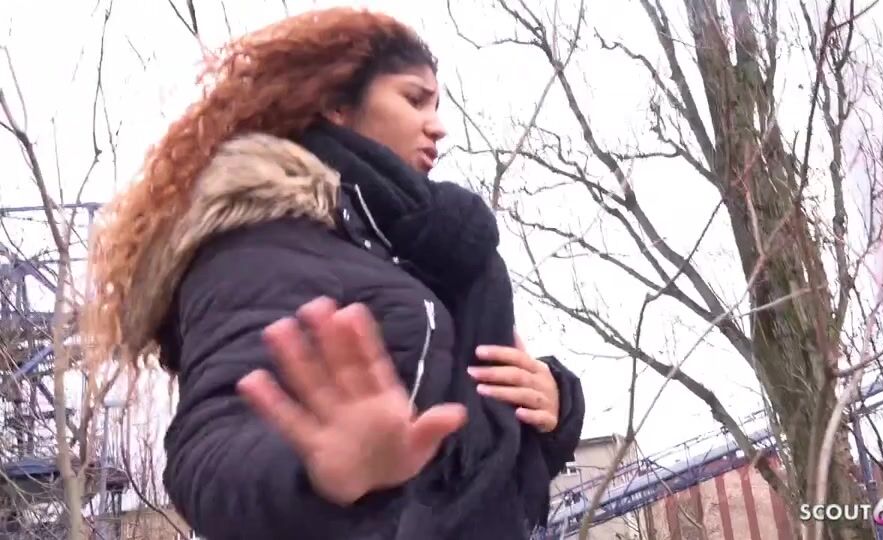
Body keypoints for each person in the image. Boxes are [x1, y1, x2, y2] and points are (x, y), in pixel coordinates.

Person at [82, 8, 585, 540]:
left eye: (437, 106)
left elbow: (463, 465)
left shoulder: (420, 252)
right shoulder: (261, 241)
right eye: (414, 99)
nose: (437, 125)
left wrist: (554, 401)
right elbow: (207, 452)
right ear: (337, 106)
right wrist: (319, 472)